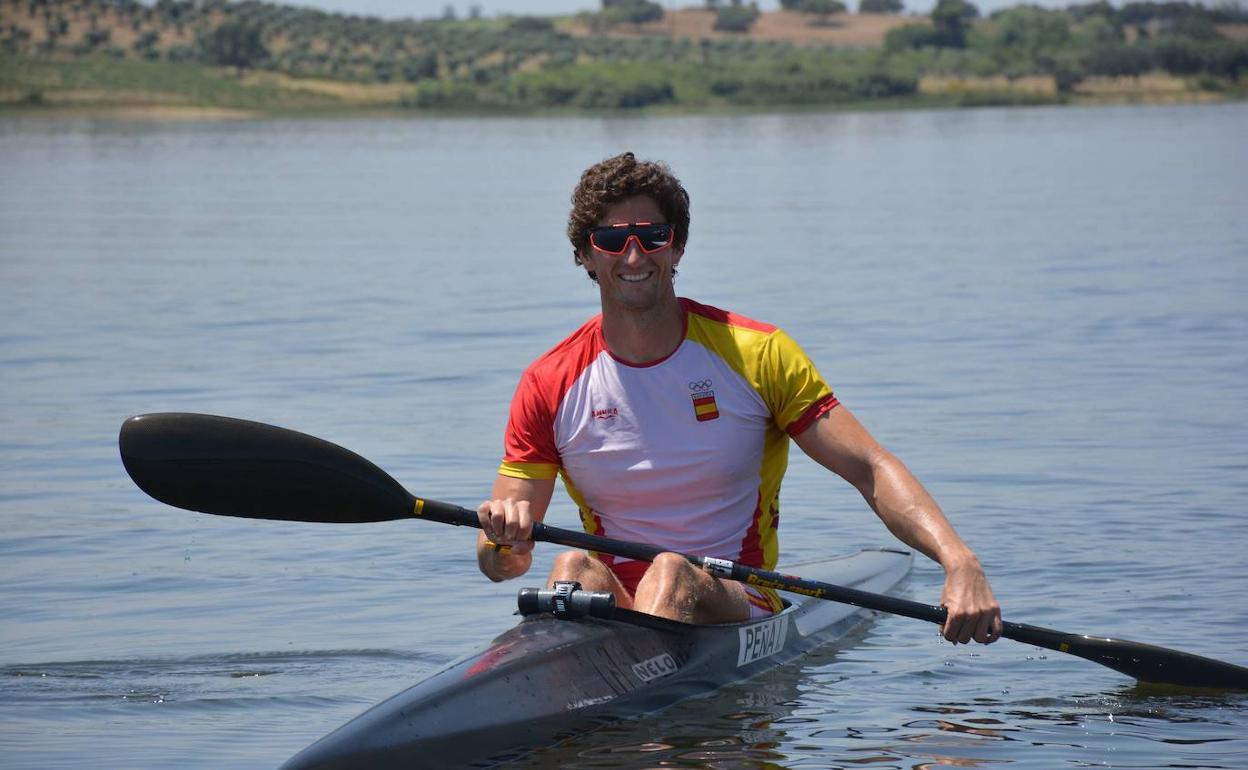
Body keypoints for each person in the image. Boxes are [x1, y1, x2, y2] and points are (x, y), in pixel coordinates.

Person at [477, 152, 1002, 644]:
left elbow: (868, 467)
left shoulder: (756, 355)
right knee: (571, 565)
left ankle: (638, 693)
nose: (634, 255)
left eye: (653, 236)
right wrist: (504, 542)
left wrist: (959, 562)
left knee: (672, 571)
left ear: (677, 246)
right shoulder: (549, 382)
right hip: (614, 595)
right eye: (612, 239)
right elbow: (500, 564)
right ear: (585, 254)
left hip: (738, 597)